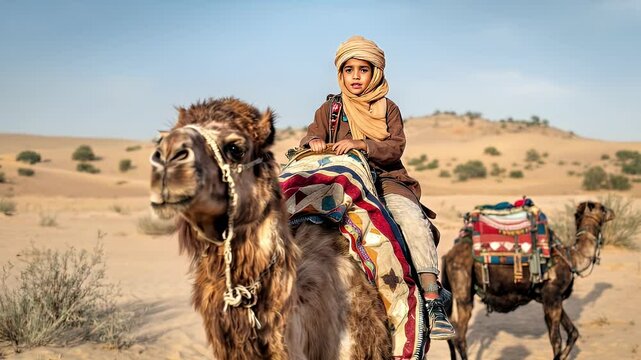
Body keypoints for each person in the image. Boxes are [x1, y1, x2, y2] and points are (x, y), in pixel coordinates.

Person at [299, 35, 455, 341]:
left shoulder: (387, 108)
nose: (355, 76)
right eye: (349, 69)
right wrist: (312, 143)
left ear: (376, 73)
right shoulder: (329, 109)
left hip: (384, 180)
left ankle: (432, 298)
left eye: (363, 69)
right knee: (292, 217)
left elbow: (394, 147)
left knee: (411, 220)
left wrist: (362, 144)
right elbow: (311, 136)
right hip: (339, 181)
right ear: (340, 74)